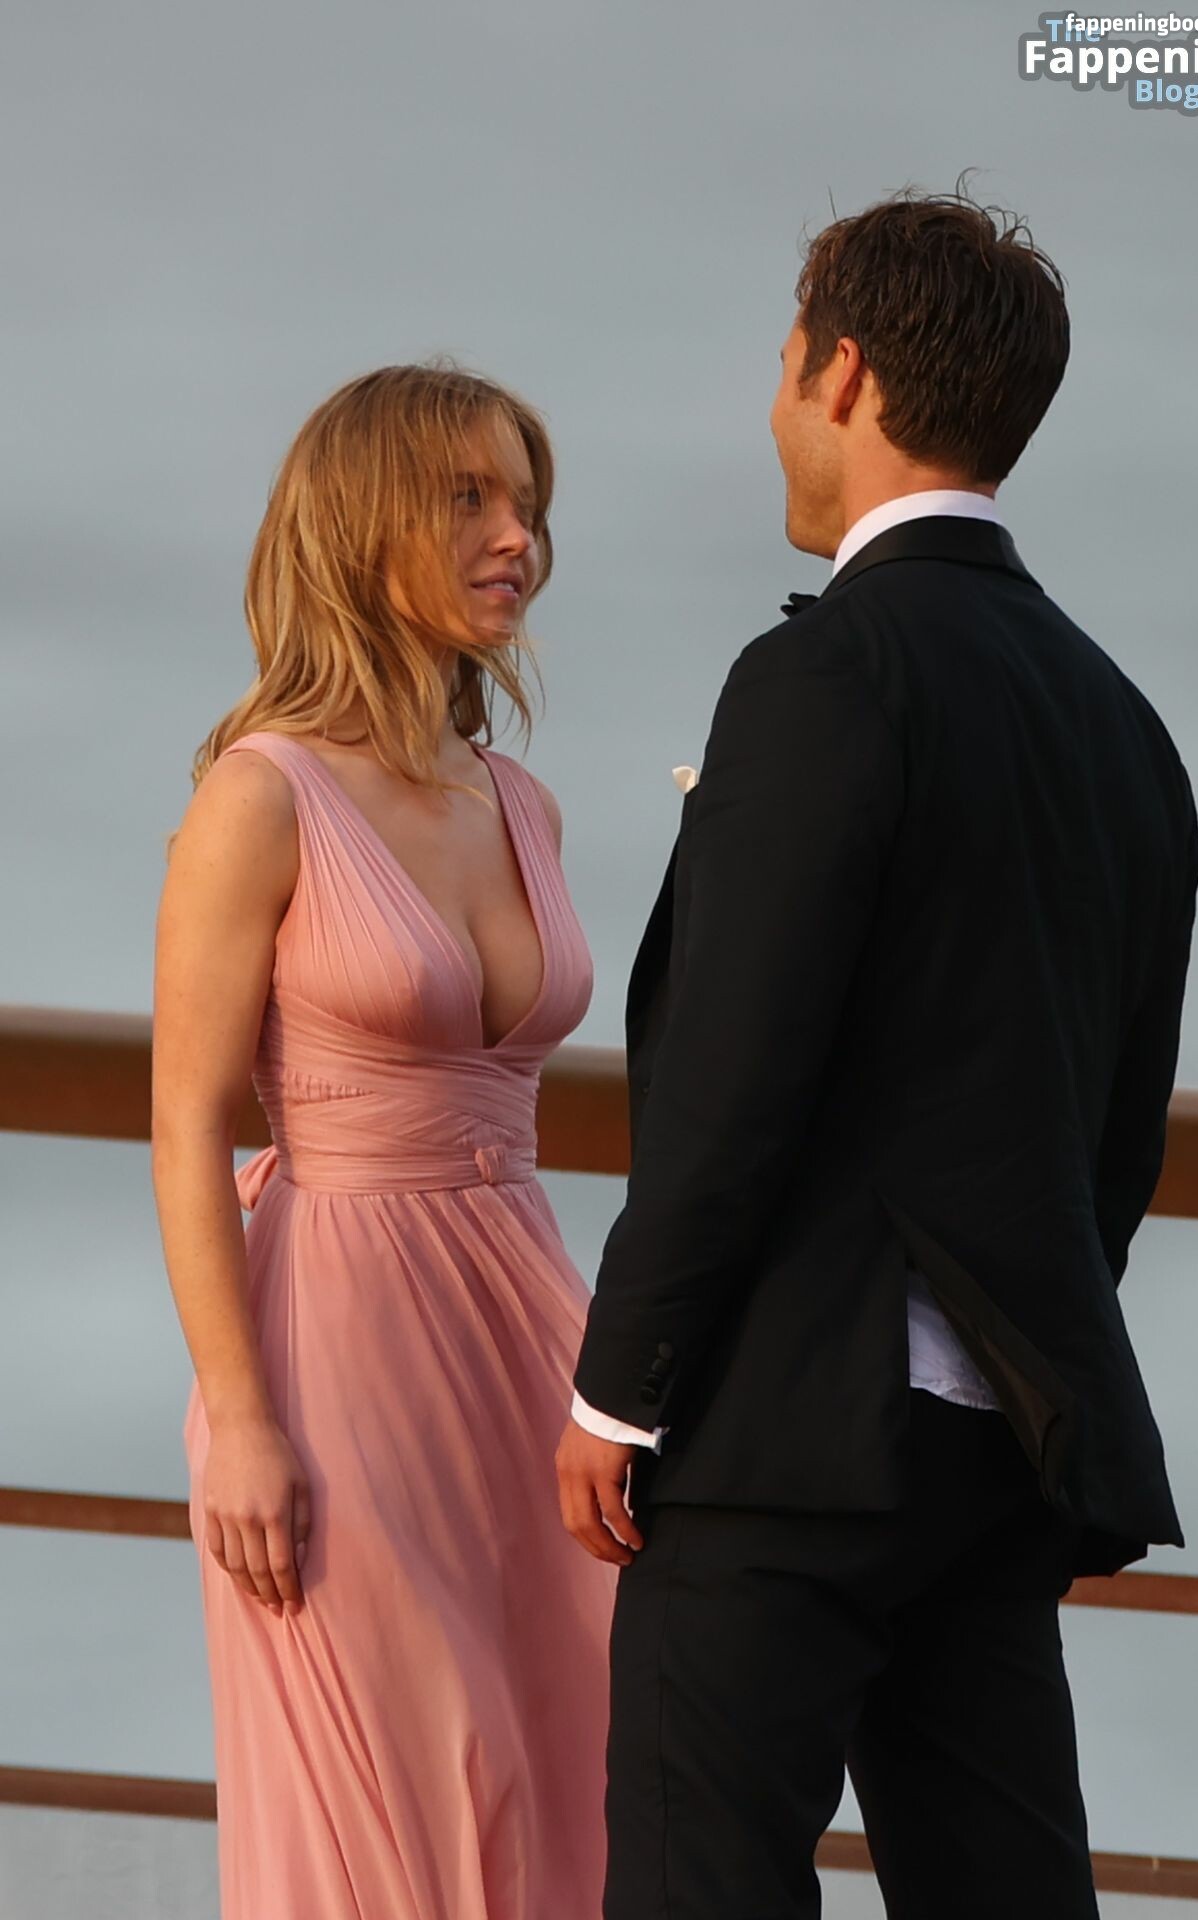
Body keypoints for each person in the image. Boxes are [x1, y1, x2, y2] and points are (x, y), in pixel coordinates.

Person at [557, 187, 1198, 1920]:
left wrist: (621, 1389)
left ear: (840, 372)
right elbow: (1119, 1129)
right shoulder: (1123, 725)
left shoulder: (826, 676)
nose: (776, 397)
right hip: (1000, 1452)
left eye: (786, 359)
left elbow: (731, 1080)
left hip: (783, 1441)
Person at [152, 361, 615, 1919]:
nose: (518, 538)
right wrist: (242, 1417)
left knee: (575, 1772)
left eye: (527, 504)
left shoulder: (522, 803)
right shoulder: (261, 796)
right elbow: (184, 1126)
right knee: (405, 1798)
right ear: (363, 528)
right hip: (337, 1344)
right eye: (469, 499)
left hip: (530, 1326)